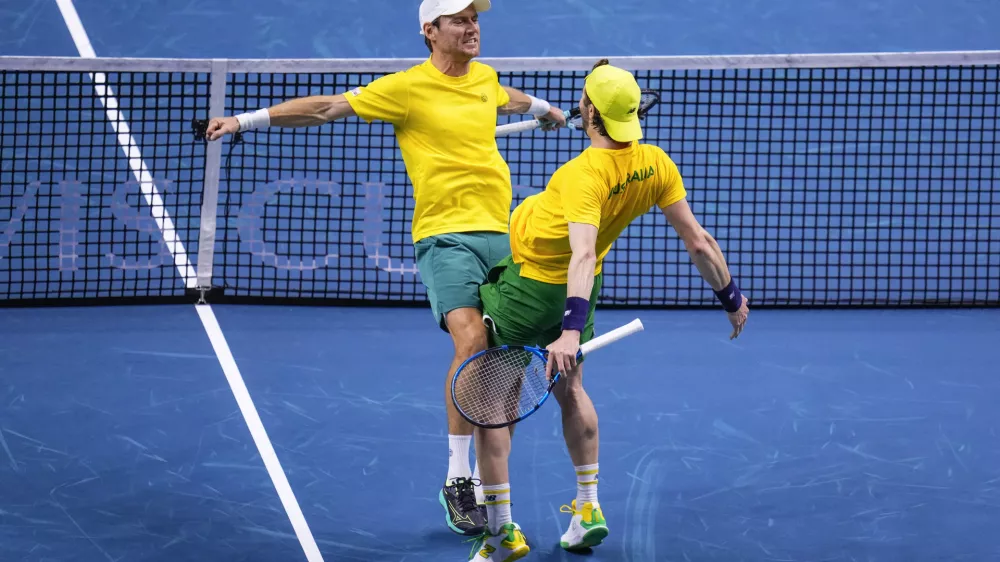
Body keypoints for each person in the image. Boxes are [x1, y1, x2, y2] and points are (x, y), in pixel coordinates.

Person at [202, 0, 567, 538]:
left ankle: (497, 489)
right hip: (445, 238)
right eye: (460, 20)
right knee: (470, 344)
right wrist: (243, 120)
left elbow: (502, 98)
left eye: (475, 19)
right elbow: (327, 108)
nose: (472, 28)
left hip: (504, 235)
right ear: (430, 30)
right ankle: (458, 478)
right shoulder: (405, 89)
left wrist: (542, 108)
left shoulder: (484, 79)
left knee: (504, 365)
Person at [467, 59, 750, 561]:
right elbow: (700, 243)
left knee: (493, 409)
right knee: (571, 389)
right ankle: (588, 509)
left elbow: (579, 251)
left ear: (589, 110)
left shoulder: (583, 176)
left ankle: (500, 535)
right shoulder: (656, 163)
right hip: (585, 288)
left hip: (530, 291)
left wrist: (570, 331)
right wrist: (731, 298)